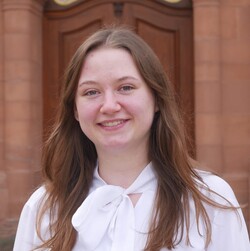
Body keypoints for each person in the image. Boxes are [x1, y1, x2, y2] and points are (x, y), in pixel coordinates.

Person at [14, 26, 250, 251]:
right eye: (91, 92)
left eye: (126, 87)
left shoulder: (209, 200)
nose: (109, 106)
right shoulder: (43, 209)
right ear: (75, 110)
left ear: (156, 99)